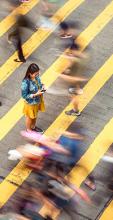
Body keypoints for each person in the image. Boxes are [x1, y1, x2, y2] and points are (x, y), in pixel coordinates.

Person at [21, 63, 45, 133]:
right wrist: (35, 94)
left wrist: (43, 87)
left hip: (38, 100)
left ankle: (33, 127)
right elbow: (24, 96)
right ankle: (29, 130)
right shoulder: (25, 83)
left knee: (35, 115)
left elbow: (40, 84)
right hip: (30, 103)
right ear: (29, 73)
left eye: (38, 73)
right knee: (30, 117)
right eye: (35, 74)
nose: (37, 75)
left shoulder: (36, 77)